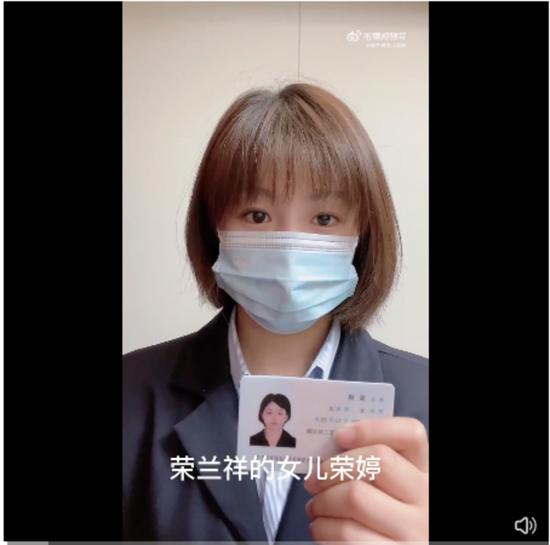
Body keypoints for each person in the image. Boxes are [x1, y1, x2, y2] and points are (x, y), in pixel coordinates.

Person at [123, 82, 428, 543]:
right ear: (214, 226)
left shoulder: (423, 396)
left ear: (362, 233)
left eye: (323, 218)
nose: (288, 249)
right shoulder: (129, 392)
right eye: (257, 215)